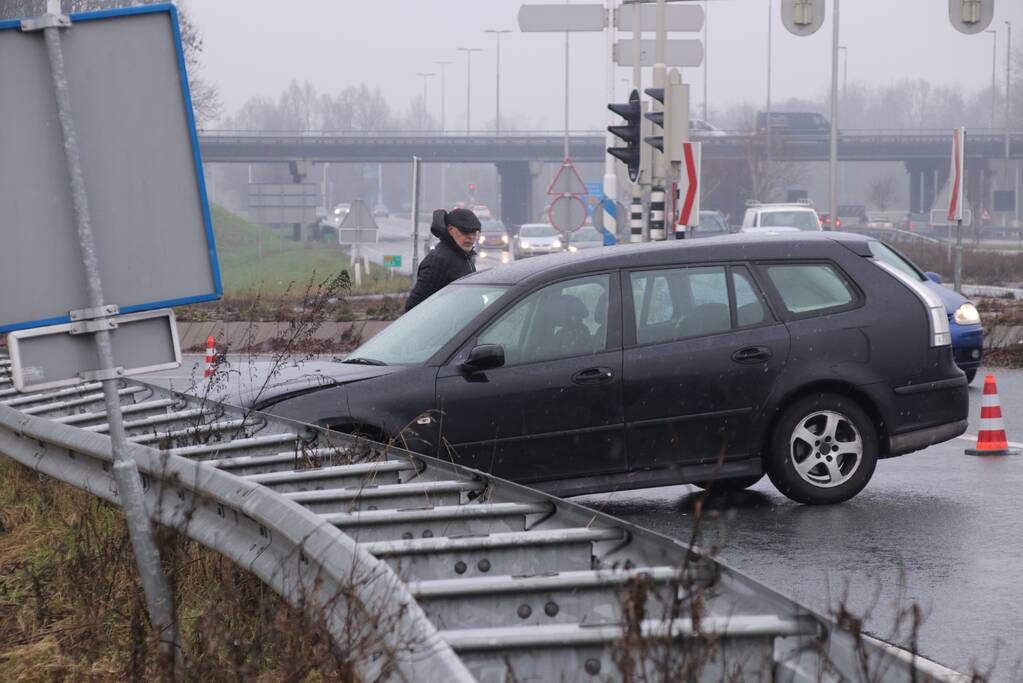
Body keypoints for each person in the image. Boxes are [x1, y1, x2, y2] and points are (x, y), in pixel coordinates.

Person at [404, 207, 481, 311]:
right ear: (450, 229)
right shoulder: (438, 260)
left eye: (474, 232)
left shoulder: (464, 255)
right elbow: (414, 307)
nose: (471, 237)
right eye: (465, 232)